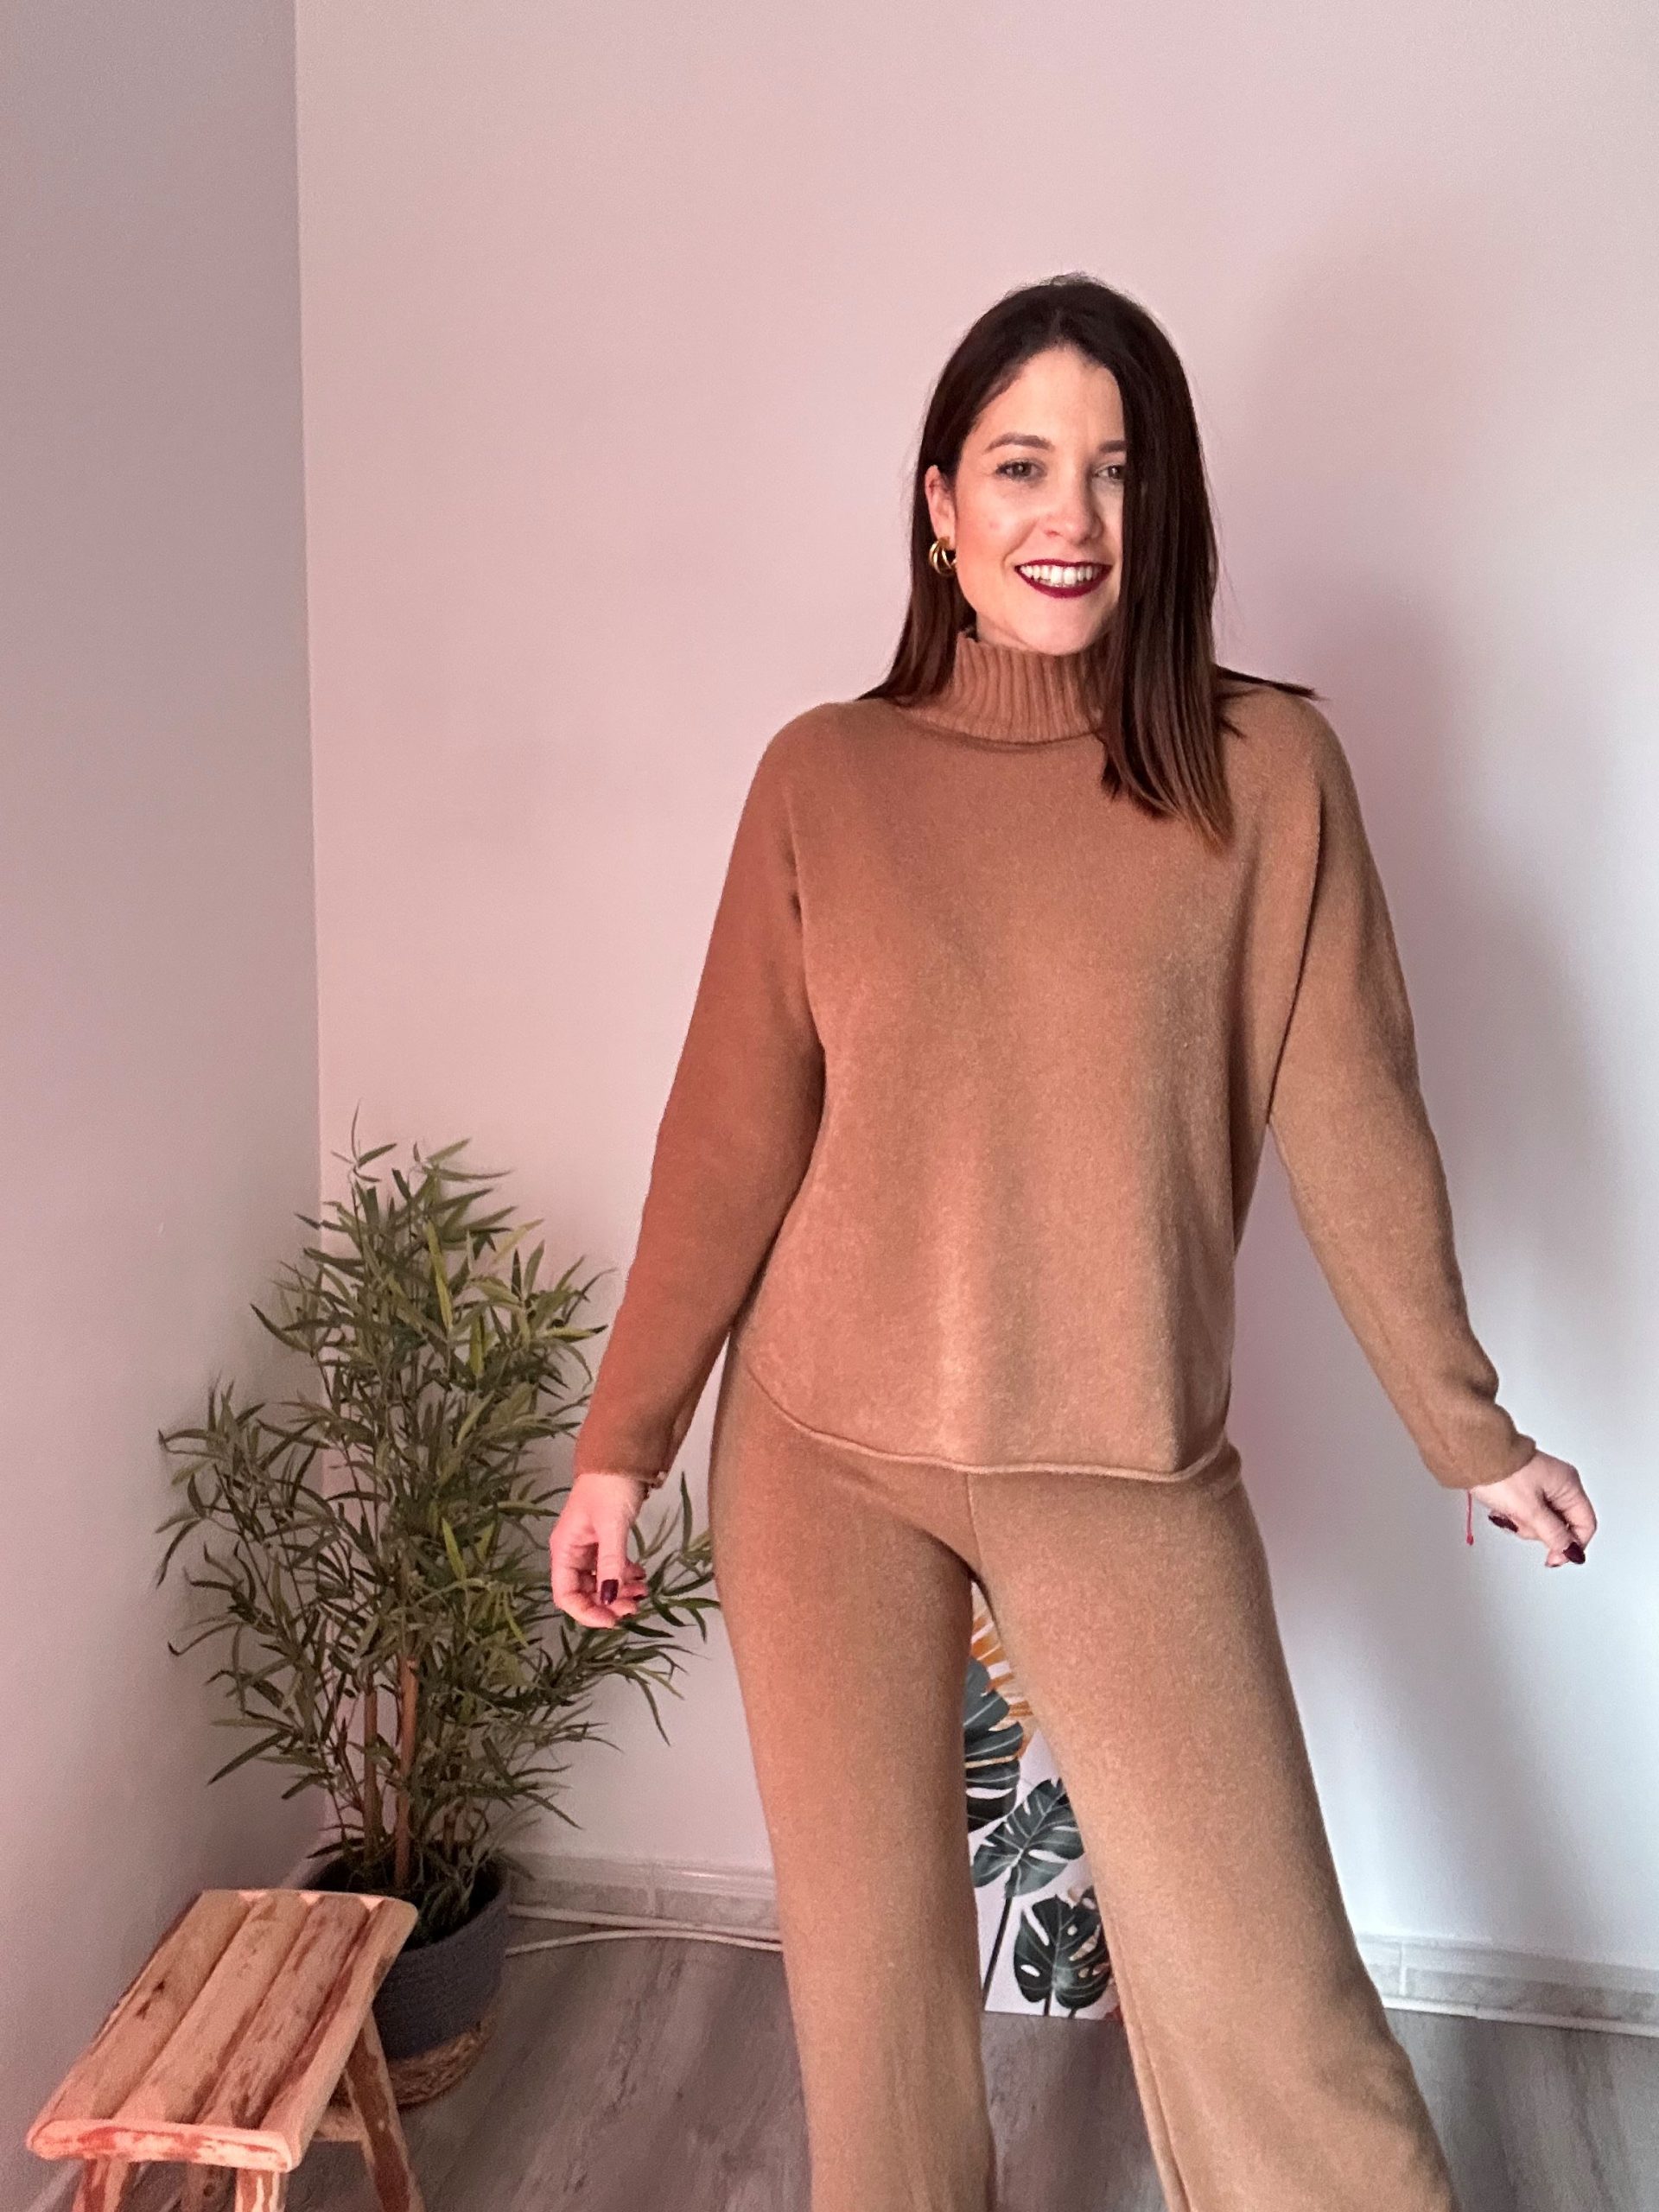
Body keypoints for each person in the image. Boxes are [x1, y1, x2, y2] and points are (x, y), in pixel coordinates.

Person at [549, 273, 1596, 2212]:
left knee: (1274, 2007)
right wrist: (625, 1441)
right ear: (939, 502)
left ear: (1163, 501)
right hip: (823, 1453)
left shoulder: (1262, 772)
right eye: (1024, 465)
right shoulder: (826, 777)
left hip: (1119, 1456)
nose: (1073, 516)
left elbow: (1356, 1118)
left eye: (1117, 470)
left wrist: (1471, 1432)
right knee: (875, 2026)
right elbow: (730, 1133)